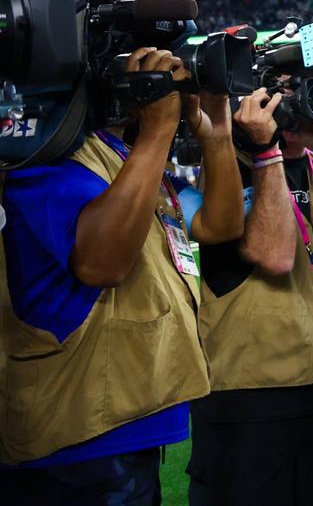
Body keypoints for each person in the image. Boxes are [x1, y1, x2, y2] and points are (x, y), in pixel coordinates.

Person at [0, 48, 244, 503]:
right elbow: (101, 264)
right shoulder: (43, 152)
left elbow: (219, 225)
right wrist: (157, 131)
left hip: (126, 410)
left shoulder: (124, 156)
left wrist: (217, 135)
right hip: (76, 429)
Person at [187, 86, 313, 506]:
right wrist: (267, 151)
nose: (296, 102)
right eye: (284, 90)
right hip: (248, 402)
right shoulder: (230, 167)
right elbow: (275, 255)